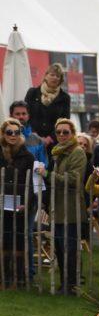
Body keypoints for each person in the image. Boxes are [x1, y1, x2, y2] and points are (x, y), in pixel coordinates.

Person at [40, 118, 86, 294]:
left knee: (70, 249)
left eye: (65, 132)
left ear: (72, 133)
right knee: (59, 248)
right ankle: (64, 284)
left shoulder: (77, 152)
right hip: (58, 207)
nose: (61, 135)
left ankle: (72, 286)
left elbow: (74, 179)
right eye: (58, 132)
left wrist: (48, 174)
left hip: (71, 208)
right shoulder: (57, 152)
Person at [0, 119, 36, 286]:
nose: (13, 135)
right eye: (9, 132)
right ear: (3, 133)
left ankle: (20, 277)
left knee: (20, 241)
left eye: (16, 132)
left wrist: (26, 204)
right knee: (4, 240)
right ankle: (4, 276)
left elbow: (31, 185)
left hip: (20, 205)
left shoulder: (27, 156)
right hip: (1, 206)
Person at [24, 63, 71, 149]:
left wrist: (50, 138)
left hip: (54, 143)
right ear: (46, 76)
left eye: (58, 76)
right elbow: (25, 116)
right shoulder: (32, 93)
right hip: (31, 140)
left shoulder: (65, 98)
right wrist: (34, 134)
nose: (55, 78)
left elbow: (65, 121)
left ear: (60, 80)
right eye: (52, 75)